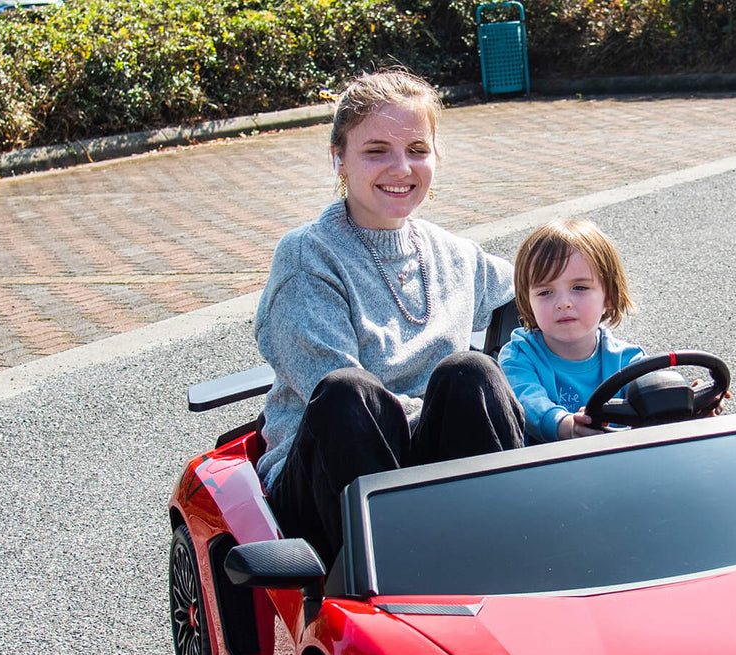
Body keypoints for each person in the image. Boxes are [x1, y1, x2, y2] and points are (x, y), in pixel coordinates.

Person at [253, 69, 524, 564]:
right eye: (377, 150)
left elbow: (538, 290)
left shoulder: (454, 254)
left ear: (436, 157)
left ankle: (515, 557)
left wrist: (591, 371)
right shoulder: (307, 258)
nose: (401, 167)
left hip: (425, 467)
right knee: (349, 391)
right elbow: (335, 403)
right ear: (339, 159)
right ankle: (396, 579)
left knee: (473, 373)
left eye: (417, 149)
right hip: (330, 474)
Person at [498, 219, 646, 442]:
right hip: (542, 471)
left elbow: (656, 396)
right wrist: (567, 426)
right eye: (546, 292)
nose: (563, 303)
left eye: (579, 288)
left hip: (618, 467)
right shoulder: (519, 357)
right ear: (528, 302)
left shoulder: (630, 360)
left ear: (609, 296)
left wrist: (684, 403)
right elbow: (529, 404)